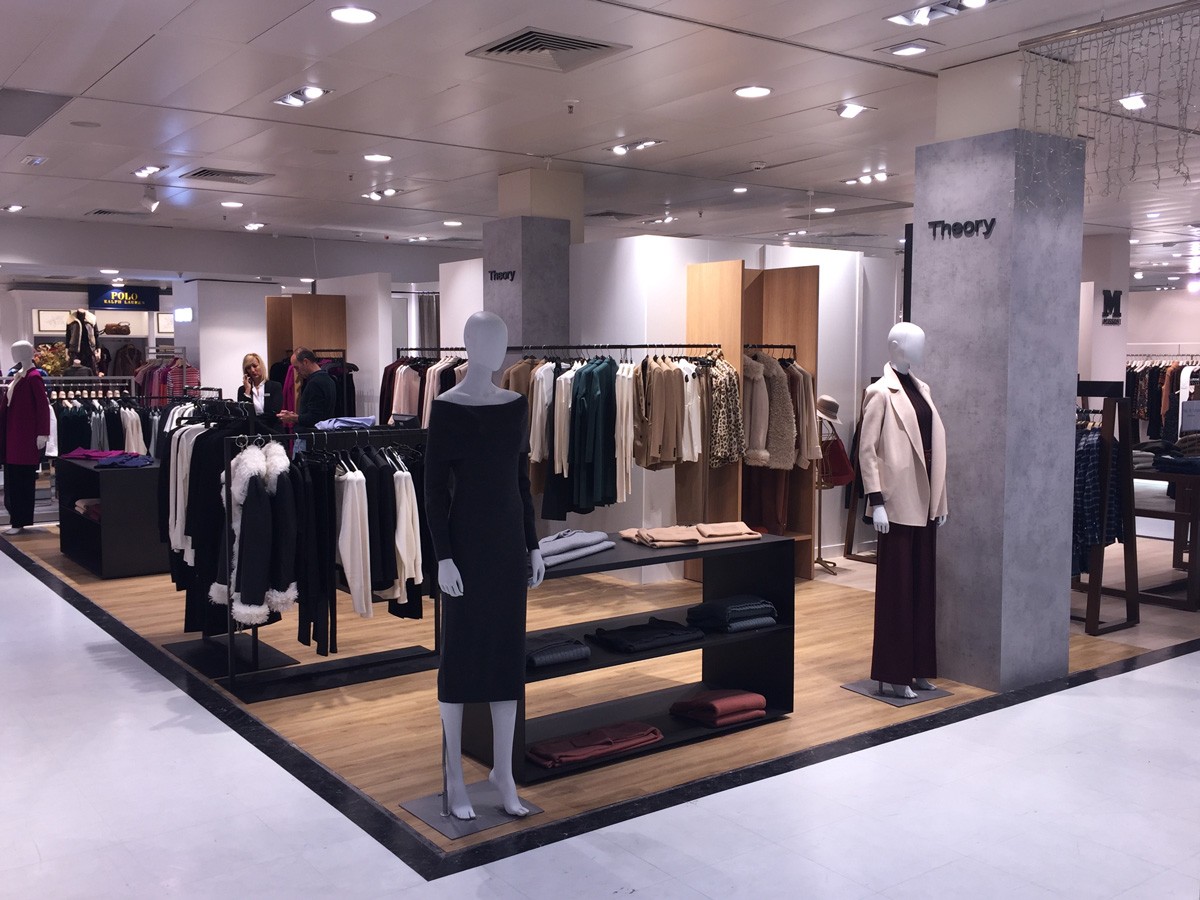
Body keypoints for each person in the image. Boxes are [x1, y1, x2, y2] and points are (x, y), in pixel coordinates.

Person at [425, 310, 545, 821]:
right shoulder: (447, 408)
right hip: (466, 547)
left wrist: (532, 546)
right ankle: (454, 772)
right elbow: (433, 491)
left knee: (505, 657)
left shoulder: (515, 405)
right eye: (487, 338)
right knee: (458, 657)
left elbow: (520, 481)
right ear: (469, 344)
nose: (497, 348)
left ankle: (503, 772)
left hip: (506, 547)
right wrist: (443, 556)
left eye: (502, 339)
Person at [858, 322, 948, 700]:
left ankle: (918, 668)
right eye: (917, 343)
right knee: (897, 591)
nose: (923, 349)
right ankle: (894, 673)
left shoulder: (922, 389)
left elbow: (934, 449)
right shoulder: (880, 392)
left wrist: (941, 500)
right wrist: (876, 501)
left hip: (925, 503)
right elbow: (867, 451)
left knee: (923, 589)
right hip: (896, 504)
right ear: (897, 346)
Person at [0, 341, 51, 535]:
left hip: (24, 438)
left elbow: (43, 407)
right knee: (13, 478)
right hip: (13, 436)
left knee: (21, 480)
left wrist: (43, 433)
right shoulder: (19, 375)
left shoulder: (33, 377)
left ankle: (19, 521)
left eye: (18, 351)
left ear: (27, 352)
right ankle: (16, 519)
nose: (14, 354)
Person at [277, 347, 334, 429]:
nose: (297, 371)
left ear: (305, 362)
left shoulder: (315, 383)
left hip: (312, 433)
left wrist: (292, 418)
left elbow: (315, 417)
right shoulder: (328, 379)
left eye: (297, 367)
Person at [235, 352, 283, 430]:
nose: (252, 370)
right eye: (248, 368)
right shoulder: (242, 390)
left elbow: (274, 412)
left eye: (255, 366)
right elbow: (243, 414)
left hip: (272, 428)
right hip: (251, 430)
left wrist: (255, 420)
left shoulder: (275, 386)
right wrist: (247, 391)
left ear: (261, 366)